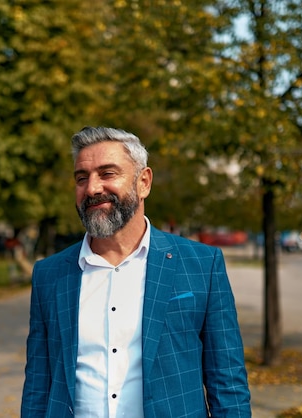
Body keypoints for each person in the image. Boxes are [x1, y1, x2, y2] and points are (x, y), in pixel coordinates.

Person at [21, 127, 251, 417]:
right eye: (82, 177)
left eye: (107, 174)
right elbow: (38, 386)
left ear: (144, 182)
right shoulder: (50, 275)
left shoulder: (202, 265)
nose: (92, 188)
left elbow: (227, 383)